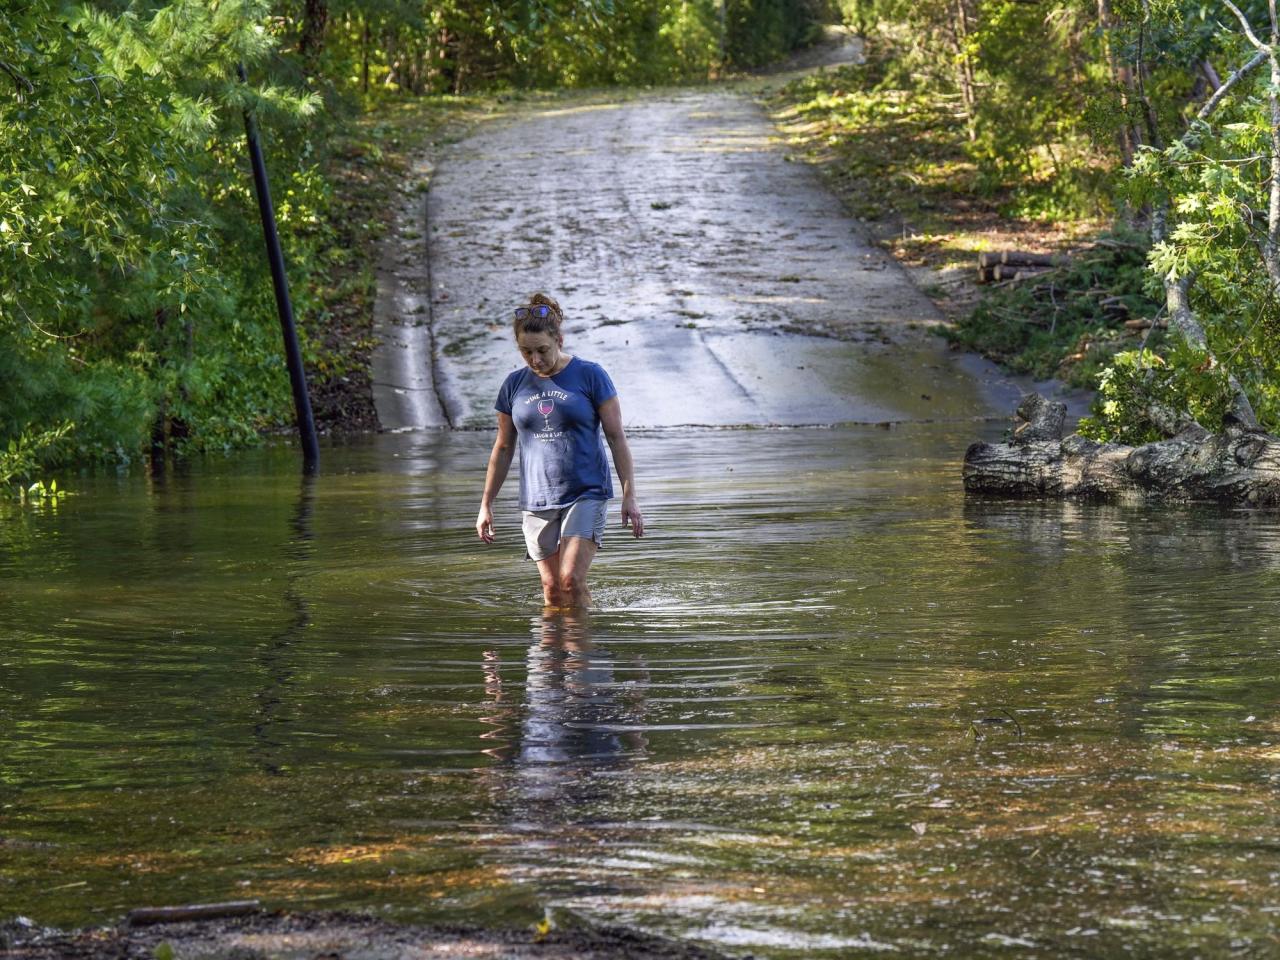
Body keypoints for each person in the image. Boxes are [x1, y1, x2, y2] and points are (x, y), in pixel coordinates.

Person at [476, 293, 643, 608]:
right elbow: (503, 446)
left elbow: (616, 437)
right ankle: (555, 654)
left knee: (570, 579)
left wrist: (629, 496)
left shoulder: (590, 375)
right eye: (526, 352)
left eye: (542, 350)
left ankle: (582, 656)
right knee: (553, 590)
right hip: (536, 497)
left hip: (586, 492)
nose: (535, 360)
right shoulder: (513, 385)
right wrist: (486, 504)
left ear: (559, 340)